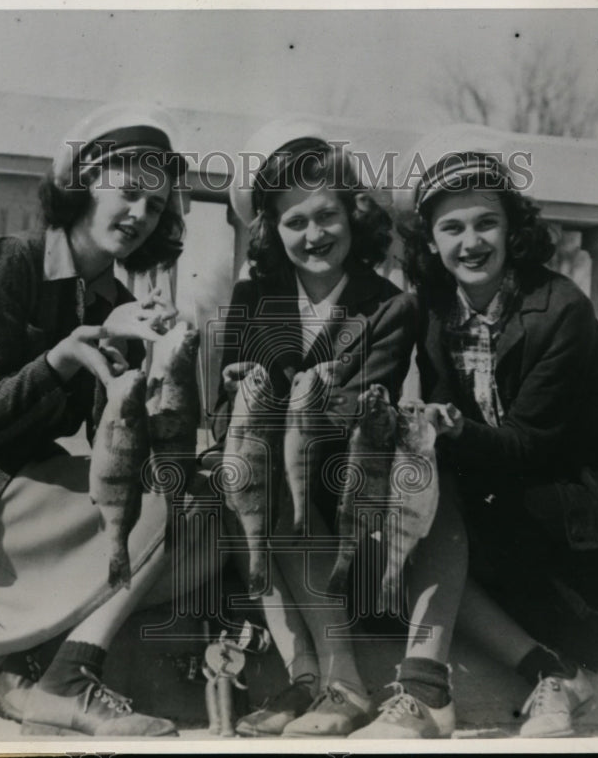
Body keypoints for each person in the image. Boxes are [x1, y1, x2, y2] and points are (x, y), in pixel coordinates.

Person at [0, 105, 214, 737]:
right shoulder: (3, 260)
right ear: (84, 182)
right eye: (131, 193)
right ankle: (69, 680)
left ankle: (46, 664)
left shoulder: (116, 304)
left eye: (157, 206)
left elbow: (111, 448)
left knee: (191, 505)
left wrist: (164, 377)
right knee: (164, 512)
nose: (142, 215)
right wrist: (64, 354)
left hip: (20, 491)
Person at [367, 128, 598, 738]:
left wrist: (449, 431)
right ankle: (546, 671)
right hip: (509, 500)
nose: (470, 243)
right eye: (451, 229)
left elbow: (529, 445)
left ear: (513, 228)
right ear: (429, 239)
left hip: (590, 517)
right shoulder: (431, 307)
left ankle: (432, 689)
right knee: (397, 532)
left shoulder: (561, 309)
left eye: (486, 224)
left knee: (433, 523)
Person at [209, 120, 417, 737]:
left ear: (354, 216)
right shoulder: (253, 297)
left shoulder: (387, 306)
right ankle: (304, 675)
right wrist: (236, 390)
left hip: (341, 487)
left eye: (326, 216)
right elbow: (225, 416)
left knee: (275, 477)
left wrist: (283, 406)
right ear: (272, 229)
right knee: (238, 473)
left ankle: (344, 680)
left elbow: (355, 413)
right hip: (265, 483)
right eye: (294, 222)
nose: (313, 234)